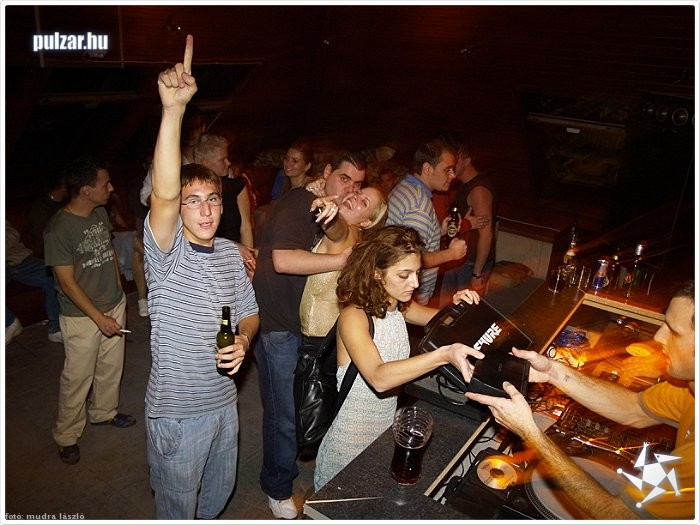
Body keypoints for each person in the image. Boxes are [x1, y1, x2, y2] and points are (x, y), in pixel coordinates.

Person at [144, 35, 259, 520]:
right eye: (192, 201)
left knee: (216, 499)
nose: (205, 210)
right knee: (178, 509)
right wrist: (173, 111)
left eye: (211, 199)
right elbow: (164, 195)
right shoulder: (166, 253)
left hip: (224, 404)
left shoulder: (231, 254)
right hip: (178, 414)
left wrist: (245, 340)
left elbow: (250, 313)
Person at [467, 280, 695, 520]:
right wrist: (554, 372)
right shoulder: (689, 389)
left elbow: (618, 516)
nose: (659, 336)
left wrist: (531, 434)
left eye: (674, 331)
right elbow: (635, 408)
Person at [314, 225, 484, 490]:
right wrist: (443, 355)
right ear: (376, 273)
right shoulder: (354, 317)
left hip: (383, 432)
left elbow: (445, 323)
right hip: (349, 439)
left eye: (417, 273)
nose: (415, 283)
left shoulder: (400, 307)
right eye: (404, 275)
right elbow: (379, 377)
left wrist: (460, 306)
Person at [252, 149, 366, 519]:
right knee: (283, 413)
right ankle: (277, 486)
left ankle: (291, 463)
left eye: (357, 185)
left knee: (299, 405)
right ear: (327, 171)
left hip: (302, 327)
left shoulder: (325, 208)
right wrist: (339, 261)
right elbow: (283, 260)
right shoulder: (298, 204)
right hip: (278, 326)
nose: (349, 189)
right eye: (344, 178)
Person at [43, 155, 134, 466]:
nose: (111, 188)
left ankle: (104, 412)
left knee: (111, 367)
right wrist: (99, 318)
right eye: (104, 184)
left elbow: (108, 252)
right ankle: (66, 435)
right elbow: (66, 283)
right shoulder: (58, 229)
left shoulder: (99, 213)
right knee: (78, 377)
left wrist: (119, 292)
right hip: (82, 317)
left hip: (113, 304)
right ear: (86, 190)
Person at [386, 137, 467, 305]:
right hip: (409, 294)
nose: (453, 175)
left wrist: (438, 231)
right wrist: (452, 254)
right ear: (427, 168)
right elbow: (412, 256)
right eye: (447, 170)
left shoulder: (406, 186)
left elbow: (406, 238)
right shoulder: (419, 206)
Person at [439, 142, 495, 302]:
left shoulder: (478, 189)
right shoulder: (463, 185)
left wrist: (476, 273)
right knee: (447, 307)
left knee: (462, 310)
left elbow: (487, 234)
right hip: (458, 258)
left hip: (470, 263)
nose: (451, 164)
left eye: (456, 159)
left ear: (467, 160)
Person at [5, 221, 62, 344]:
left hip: (17, 257)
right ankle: (9, 322)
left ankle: (56, 329)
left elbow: (12, 234)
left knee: (54, 274)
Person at [194, 133, 254, 249]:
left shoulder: (237, 187)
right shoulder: (193, 193)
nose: (228, 163)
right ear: (205, 163)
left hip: (237, 254)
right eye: (222, 160)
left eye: (227, 158)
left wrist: (249, 255)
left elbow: (246, 227)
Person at [28, 177, 68, 259]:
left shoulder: (66, 204)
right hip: (49, 254)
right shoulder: (40, 206)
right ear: (64, 187)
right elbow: (41, 239)